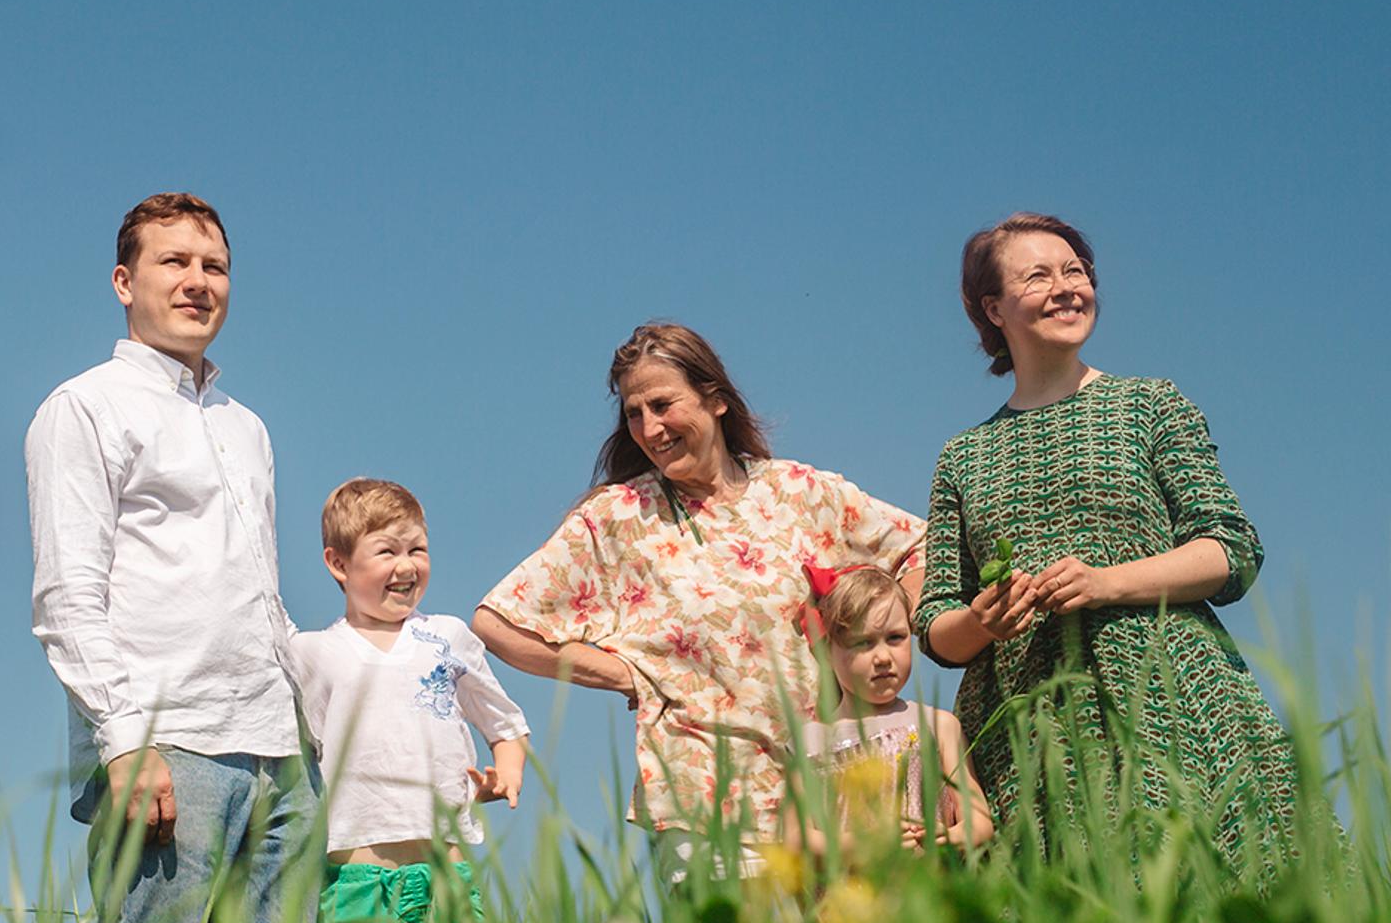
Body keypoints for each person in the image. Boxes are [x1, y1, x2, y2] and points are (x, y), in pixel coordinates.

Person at [914, 212, 1299, 863]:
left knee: (1202, 894)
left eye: (1076, 271)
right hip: (1024, 723)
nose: (1067, 287)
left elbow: (1229, 549)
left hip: (1165, 691)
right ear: (993, 309)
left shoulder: (1149, 403)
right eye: (1038, 275)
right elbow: (935, 624)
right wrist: (982, 619)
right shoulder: (963, 455)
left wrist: (1102, 583)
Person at [475, 322, 926, 870]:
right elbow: (498, 623)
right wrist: (628, 673)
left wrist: (874, 636)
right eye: (634, 414)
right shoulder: (618, 518)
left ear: (715, 401)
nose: (649, 427)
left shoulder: (800, 492)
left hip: (831, 788)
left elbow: (924, 548)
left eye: (663, 405)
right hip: (705, 798)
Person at [25, 193, 314, 923]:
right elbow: (66, 598)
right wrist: (124, 742)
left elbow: (261, 590)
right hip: (164, 744)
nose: (197, 281)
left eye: (213, 265)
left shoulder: (244, 426)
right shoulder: (84, 407)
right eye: (174, 262)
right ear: (124, 282)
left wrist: (311, 730)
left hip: (278, 753)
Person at [290, 479, 529, 923]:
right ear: (338, 563)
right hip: (355, 871)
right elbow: (297, 751)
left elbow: (503, 720)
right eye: (386, 551)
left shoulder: (445, 637)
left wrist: (506, 772)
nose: (406, 566)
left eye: (417, 548)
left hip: (445, 868)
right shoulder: (313, 654)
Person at [792, 563, 992, 861]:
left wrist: (950, 836)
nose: (883, 657)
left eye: (896, 638)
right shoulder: (811, 741)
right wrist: (860, 845)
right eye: (863, 643)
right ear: (827, 651)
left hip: (926, 897)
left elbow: (979, 820)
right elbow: (796, 841)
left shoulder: (938, 726)